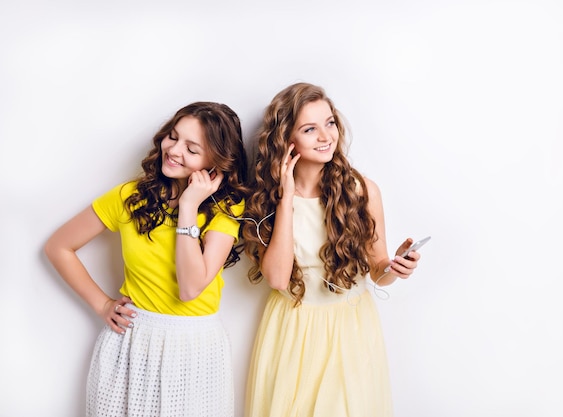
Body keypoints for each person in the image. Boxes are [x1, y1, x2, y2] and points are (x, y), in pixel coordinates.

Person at [44, 101, 249, 417]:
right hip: (134, 344)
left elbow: (190, 288)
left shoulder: (226, 209)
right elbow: (58, 246)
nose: (174, 149)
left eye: (192, 149)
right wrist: (102, 305)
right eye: (173, 136)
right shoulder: (129, 197)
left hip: (196, 349)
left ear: (215, 164)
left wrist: (189, 206)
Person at [241, 82, 422, 417]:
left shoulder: (361, 189)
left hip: (350, 325)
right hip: (293, 327)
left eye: (330, 123)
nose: (326, 136)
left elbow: (378, 272)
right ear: (286, 139)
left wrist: (395, 267)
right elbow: (278, 279)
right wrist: (287, 197)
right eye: (310, 128)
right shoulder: (266, 198)